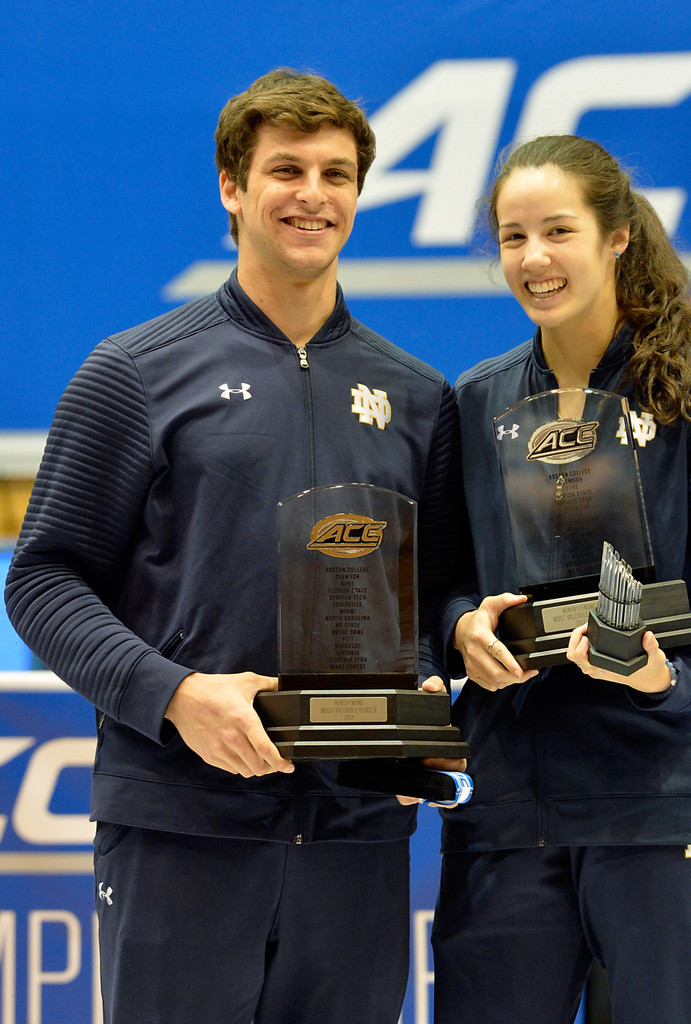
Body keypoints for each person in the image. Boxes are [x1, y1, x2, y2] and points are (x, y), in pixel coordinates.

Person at [5, 68, 464, 1024]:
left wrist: (420, 690)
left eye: (337, 174)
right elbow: (43, 580)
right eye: (285, 170)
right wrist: (174, 696)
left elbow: (432, 601)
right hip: (181, 825)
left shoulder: (419, 399)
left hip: (355, 837)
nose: (313, 195)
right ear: (232, 187)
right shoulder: (133, 373)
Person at [432, 135, 691, 1024]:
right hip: (509, 807)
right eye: (513, 238)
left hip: (659, 799)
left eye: (557, 231)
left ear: (616, 235)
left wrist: (667, 675)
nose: (534, 259)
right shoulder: (473, 405)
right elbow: (440, 585)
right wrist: (464, 627)